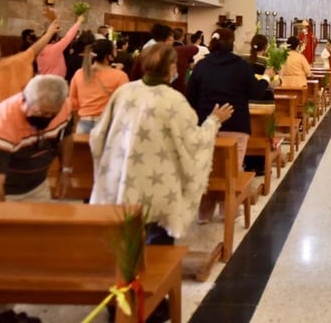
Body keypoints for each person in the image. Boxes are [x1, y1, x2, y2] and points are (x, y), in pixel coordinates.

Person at [90, 43, 234, 241]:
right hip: (161, 185)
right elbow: (194, 141)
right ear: (172, 68)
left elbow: (98, 136)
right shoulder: (174, 101)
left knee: (127, 240)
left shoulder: (124, 93)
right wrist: (214, 120)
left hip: (124, 179)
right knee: (158, 237)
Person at [186, 28, 269, 222]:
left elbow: (190, 96)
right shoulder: (241, 65)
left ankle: (204, 212)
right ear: (232, 44)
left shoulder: (201, 66)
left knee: (207, 166)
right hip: (236, 123)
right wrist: (265, 79)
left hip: (207, 123)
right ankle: (228, 210)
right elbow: (255, 92)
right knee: (231, 168)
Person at [0, 74, 74, 202]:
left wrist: (65, 170)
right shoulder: (0, 124)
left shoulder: (65, 106)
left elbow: (67, 136)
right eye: (41, 112)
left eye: (52, 114)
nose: (47, 117)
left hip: (35, 184)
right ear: (24, 99)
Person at [69, 39, 129, 135]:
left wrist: (76, 124)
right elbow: (125, 103)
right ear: (109, 56)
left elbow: (73, 102)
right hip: (106, 125)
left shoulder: (79, 73)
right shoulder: (120, 76)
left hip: (83, 123)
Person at [36, 13, 85, 77]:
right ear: (55, 40)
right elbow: (68, 36)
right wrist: (79, 21)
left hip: (42, 78)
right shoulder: (55, 48)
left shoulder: (38, 48)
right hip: (55, 80)